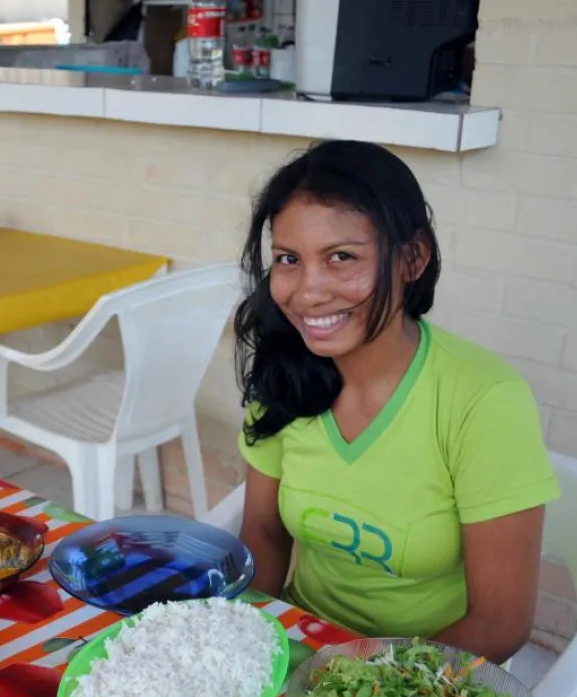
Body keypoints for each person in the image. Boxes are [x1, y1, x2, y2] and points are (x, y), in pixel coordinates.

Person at [234, 140, 559, 664]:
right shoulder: (286, 375)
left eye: (342, 257)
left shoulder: (484, 400)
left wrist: (356, 688)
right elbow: (265, 533)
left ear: (413, 258)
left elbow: (500, 623)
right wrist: (246, 646)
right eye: (289, 259)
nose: (308, 291)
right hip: (302, 651)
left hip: (424, 676)